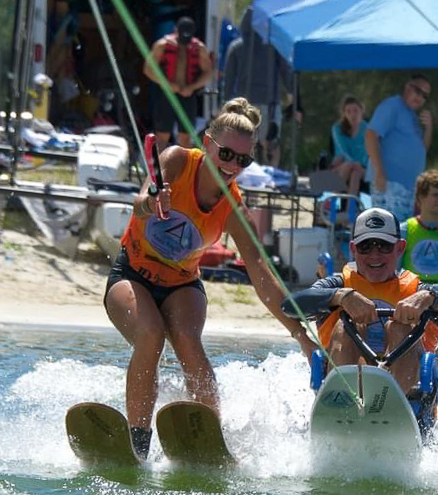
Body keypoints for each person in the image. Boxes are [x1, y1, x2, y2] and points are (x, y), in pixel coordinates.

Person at [105, 98, 316, 459]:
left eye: (243, 160)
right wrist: (150, 202)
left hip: (182, 286)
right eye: (226, 154)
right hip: (132, 275)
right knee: (151, 334)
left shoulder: (233, 207)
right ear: (207, 143)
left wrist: (300, 333)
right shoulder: (176, 161)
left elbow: (262, 275)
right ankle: (138, 440)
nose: (232, 165)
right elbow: (141, 201)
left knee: (187, 338)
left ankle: (209, 440)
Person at [281, 208, 438, 411]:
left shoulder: (422, 292)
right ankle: (345, 406)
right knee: (346, 328)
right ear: (353, 249)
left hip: (409, 403)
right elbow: (290, 306)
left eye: (384, 246)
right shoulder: (336, 285)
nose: (374, 255)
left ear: (400, 248)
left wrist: (433, 301)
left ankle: (387, 408)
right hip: (346, 394)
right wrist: (340, 297)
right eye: (366, 247)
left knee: (400, 328)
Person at [222, 8, 298, 167]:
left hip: (248, 104)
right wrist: (294, 98)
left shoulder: (237, 47)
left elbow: (228, 80)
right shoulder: (274, 46)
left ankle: (252, 175)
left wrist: (225, 105)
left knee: (247, 141)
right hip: (266, 103)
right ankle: (268, 176)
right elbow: (286, 73)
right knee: (270, 143)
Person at [365, 75, 433, 221]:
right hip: (389, 184)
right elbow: (371, 136)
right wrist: (379, 171)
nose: (420, 98)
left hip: (407, 187)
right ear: (408, 87)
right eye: (418, 91)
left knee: (398, 234)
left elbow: (422, 149)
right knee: (387, 232)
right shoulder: (391, 106)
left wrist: (428, 128)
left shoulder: (412, 116)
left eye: (425, 96)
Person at [143, 16, 213, 149]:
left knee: (185, 137)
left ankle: (183, 167)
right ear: (176, 30)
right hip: (166, 95)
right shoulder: (162, 45)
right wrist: (166, 84)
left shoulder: (199, 48)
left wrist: (192, 87)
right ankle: (161, 167)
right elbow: (148, 69)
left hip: (187, 95)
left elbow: (208, 72)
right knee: (162, 136)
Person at [330, 95, 368, 195]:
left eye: (355, 110)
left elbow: (367, 152)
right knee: (348, 166)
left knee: (356, 173)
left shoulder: (368, 129)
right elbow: (343, 151)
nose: (352, 115)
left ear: (362, 110)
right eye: (348, 111)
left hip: (361, 168)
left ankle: (350, 208)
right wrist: (353, 163)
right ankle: (331, 202)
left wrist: (359, 164)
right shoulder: (337, 128)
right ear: (344, 113)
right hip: (342, 166)